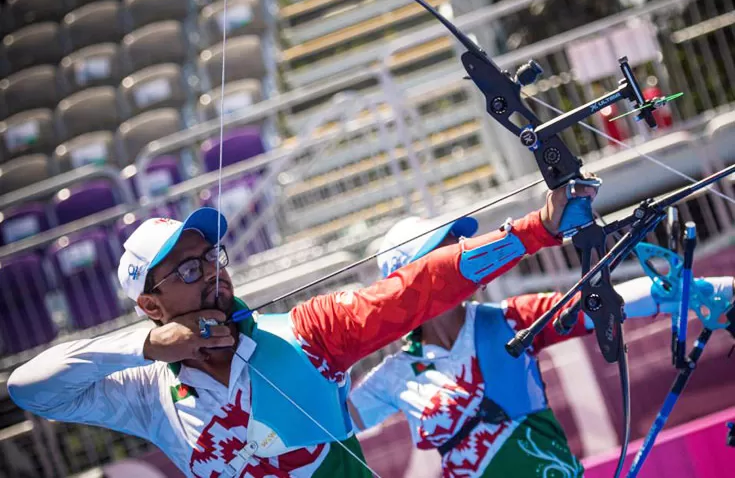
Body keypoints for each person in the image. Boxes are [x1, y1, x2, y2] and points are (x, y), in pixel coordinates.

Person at [7, 185, 590, 478]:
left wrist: (534, 228)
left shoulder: (307, 332)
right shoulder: (144, 392)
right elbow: (28, 388)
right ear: (151, 304)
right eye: (188, 270)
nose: (212, 274)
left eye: (214, 258)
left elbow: (411, 291)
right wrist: (144, 346)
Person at [348, 216, 735, 478]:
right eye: (449, 254)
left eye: (459, 250)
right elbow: (322, 428)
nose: (466, 258)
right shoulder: (396, 374)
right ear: (416, 280)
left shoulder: (510, 320)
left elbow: (605, 303)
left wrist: (711, 291)